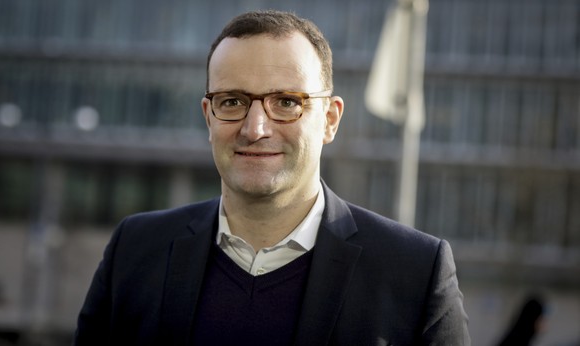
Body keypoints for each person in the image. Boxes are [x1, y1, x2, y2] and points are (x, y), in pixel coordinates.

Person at [74, 10, 470, 345]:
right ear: (208, 117)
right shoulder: (135, 251)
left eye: (286, 102)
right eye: (232, 101)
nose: (256, 127)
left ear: (330, 120)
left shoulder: (415, 273)